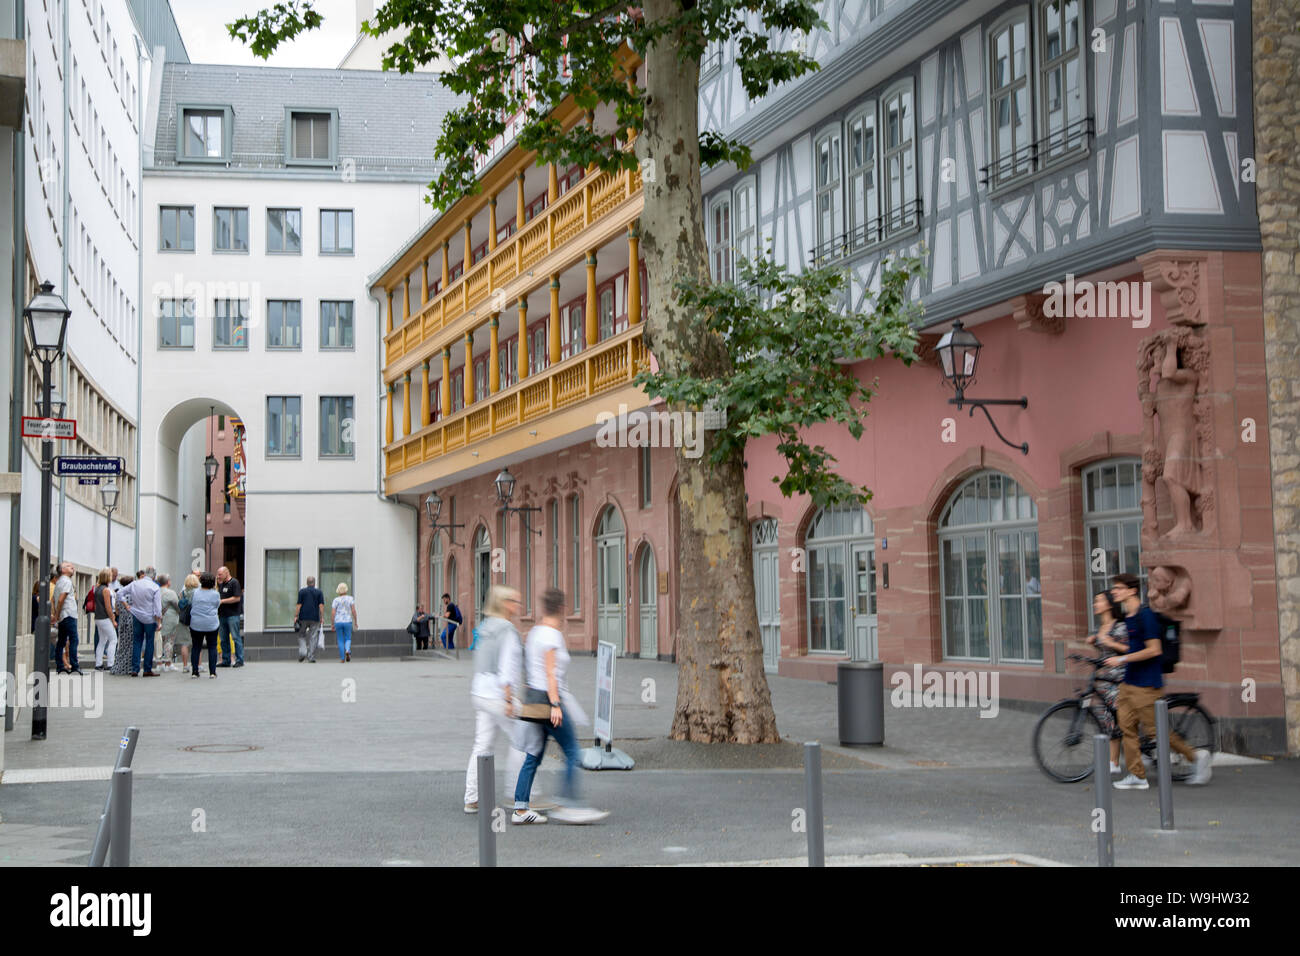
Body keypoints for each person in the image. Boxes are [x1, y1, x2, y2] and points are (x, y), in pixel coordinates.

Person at [512, 588, 609, 825]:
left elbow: (530, 670)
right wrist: (555, 704)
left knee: (533, 754)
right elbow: (550, 673)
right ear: (563, 609)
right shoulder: (552, 636)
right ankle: (569, 805)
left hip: (535, 703)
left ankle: (521, 808)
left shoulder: (534, 632)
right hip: (550, 702)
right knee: (573, 752)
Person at [1106, 573, 1211, 789]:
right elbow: (1134, 648)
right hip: (1129, 682)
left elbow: (1154, 650)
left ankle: (1196, 757)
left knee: (1156, 732)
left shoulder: (1146, 616)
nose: (1114, 592)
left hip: (1146, 684)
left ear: (1131, 590)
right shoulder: (1129, 616)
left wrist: (1122, 658)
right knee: (1127, 729)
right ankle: (1137, 775)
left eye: (1118, 588)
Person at [463, 586, 543, 814]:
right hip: (498, 695)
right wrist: (509, 699)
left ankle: (472, 797)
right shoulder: (507, 630)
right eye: (514, 601)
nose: (517, 606)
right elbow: (507, 666)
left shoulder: (486, 626)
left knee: (482, 744)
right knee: (524, 740)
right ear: (504, 603)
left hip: (480, 692)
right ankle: (522, 795)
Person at [1085, 590, 1129, 774]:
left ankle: (1115, 761)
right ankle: (1114, 762)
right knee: (1107, 718)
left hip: (1119, 676)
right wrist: (1095, 641)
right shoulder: (1101, 627)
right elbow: (1104, 648)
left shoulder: (1119, 626)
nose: (1095, 604)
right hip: (1105, 677)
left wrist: (1110, 644)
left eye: (1099, 600)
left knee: (1115, 717)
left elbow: (1128, 649)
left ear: (1109, 604)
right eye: (1095, 600)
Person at [122, 569, 163, 677]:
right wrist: (159, 621)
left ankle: (135, 669)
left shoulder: (134, 584)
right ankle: (147, 669)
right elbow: (157, 608)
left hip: (136, 615)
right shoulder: (155, 587)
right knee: (149, 642)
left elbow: (120, 593)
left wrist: (126, 605)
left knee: (137, 642)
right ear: (154, 577)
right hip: (149, 618)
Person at [189, 572, 222, 678]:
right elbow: (217, 605)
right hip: (211, 623)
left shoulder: (195, 592)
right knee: (212, 647)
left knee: (196, 647)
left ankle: (195, 671)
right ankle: (212, 672)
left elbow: (191, 603)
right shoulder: (215, 594)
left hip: (196, 623)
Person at [52, 562, 82, 675]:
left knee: (61, 641)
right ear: (63, 570)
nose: (72, 567)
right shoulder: (66, 581)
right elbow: (60, 599)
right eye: (69, 566)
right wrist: (57, 614)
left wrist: (56, 614)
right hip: (68, 614)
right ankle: (75, 666)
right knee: (74, 639)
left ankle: (60, 666)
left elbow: (54, 599)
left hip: (63, 616)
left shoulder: (59, 582)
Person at [216, 566, 244, 668]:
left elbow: (237, 598)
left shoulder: (234, 583)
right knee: (223, 638)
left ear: (226, 573)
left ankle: (240, 660)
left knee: (235, 637)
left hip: (233, 615)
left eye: (220, 574)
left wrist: (222, 601)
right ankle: (226, 660)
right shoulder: (222, 584)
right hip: (223, 615)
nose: (218, 576)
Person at [295, 576, 325, 663]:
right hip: (315, 618)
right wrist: (322, 617)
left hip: (303, 617)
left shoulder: (302, 592)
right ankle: (311, 656)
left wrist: (296, 616)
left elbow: (298, 605)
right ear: (314, 583)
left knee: (301, 635)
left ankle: (303, 652)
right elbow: (321, 606)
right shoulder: (319, 592)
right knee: (313, 636)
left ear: (307, 583)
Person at [110, 574, 136, 676]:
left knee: (122, 646)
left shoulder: (119, 594)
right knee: (130, 646)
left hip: (122, 621)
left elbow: (116, 611)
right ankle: (127, 667)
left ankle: (118, 666)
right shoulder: (131, 595)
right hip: (130, 621)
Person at [92, 568, 117, 671]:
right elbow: (108, 606)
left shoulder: (97, 588)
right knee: (113, 639)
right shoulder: (106, 590)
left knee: (102, 640)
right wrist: (113, 619)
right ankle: (111, 663)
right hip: (105, 617)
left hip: (98, 617)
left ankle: (98, 663)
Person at [175, 573, 198, 672]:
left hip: (184, 620)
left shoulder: (182, 593)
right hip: (195, 619)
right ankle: (197, 664)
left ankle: (185, 666)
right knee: (197, 643)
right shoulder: (198, 592)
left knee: (185, 644)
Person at [158, 574, 180, 672]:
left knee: (158, 641)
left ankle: (159, 663)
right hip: (170, 619)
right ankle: (168, 663)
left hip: (157, 619)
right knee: (169, 641)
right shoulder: (171, 593)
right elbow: (177, 606)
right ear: (168, 582)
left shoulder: (155, 591)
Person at [332, 582, 357, 662]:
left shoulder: (336, 600)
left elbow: (333, 613)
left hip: (338, 621)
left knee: (340, 639)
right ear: (346, 590)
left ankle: (342, 658)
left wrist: (332, 623)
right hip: (348, 621)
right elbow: (353, 611)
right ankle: (347, 650)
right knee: (348, 638)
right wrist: (355, 621)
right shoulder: (350, 599)